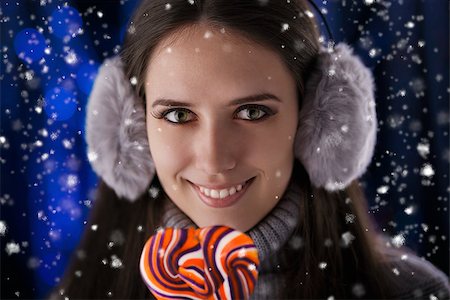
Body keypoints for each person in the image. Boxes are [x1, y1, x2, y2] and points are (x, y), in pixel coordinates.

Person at [50, 0, 450, 299]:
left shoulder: (415, 293)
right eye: (176, 115)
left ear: (317, 120)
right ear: (130, 130)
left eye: (252, 111)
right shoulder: (86, 291)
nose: (214, 159)